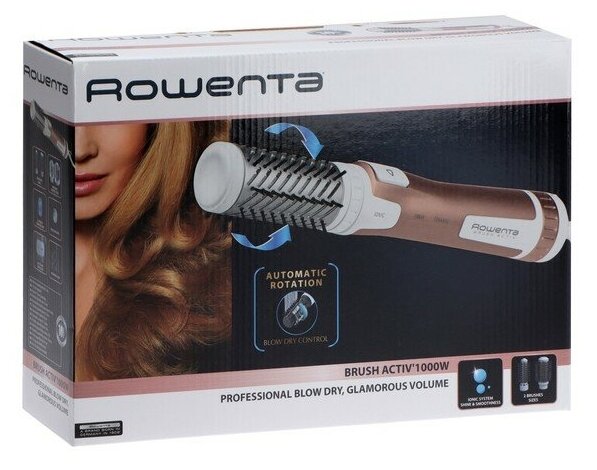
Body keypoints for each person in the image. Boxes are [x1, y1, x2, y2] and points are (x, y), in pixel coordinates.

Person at [74, 121, 231, 380]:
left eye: (108, 114)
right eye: (61, 121)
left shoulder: (189, 297)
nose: (80, 150)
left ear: (157, 125)